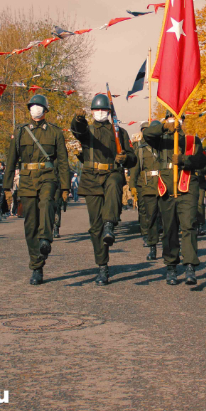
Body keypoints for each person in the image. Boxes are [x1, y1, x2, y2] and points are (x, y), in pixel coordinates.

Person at [4, 94, 70, 286]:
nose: (35, 108)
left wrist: (65, 187)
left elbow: (63, 162)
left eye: (39, 106)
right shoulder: (21, 132)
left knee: (47, 202)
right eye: (33, 106)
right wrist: (6, 186)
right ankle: (36, 266)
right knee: (30, 223)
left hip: (48, 177)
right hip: (26, 180)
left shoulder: (55, 132)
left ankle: (46, 238)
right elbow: (11, 160)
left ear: (45, 110)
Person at [70, 94, 135, 286]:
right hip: (91, 178)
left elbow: (133, 157)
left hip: (112, 173)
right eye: (96, 110)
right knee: (95, 227)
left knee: (115, 184)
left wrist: (125, 159)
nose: (100, 113)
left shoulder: (120, 132)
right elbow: (77, 131)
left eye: (103, 110)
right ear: (92, 112)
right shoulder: (88, 130)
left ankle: (110, 223)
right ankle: (102, 266)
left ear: (109, 112)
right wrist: (78, 119)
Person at [143, 114, 206, 285]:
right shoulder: (160, 140)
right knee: (169, 228)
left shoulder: (191, 140)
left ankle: (190, 266)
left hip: (187, 186)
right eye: (170, 118)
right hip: (166, 187)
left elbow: (202, 161)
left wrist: (185, 160)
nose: (175, 121)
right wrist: (164, 127)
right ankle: (171, 266)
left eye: (177, 118)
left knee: (189, 226)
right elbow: (147, 135)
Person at [129, 121, 162, 260]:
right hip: (147, 187)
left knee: (167, 218)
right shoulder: (140, 149)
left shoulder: (163, 147)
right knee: (151, 217)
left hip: (163, 186)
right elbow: (134, 170)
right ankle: (152, 245)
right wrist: (132, 186)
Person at [194, 152, 206, 237]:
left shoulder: (202, 154)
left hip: (200, 183)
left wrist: (203, 168)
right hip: (187, 182)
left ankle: (200, 225)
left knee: (200, 204)